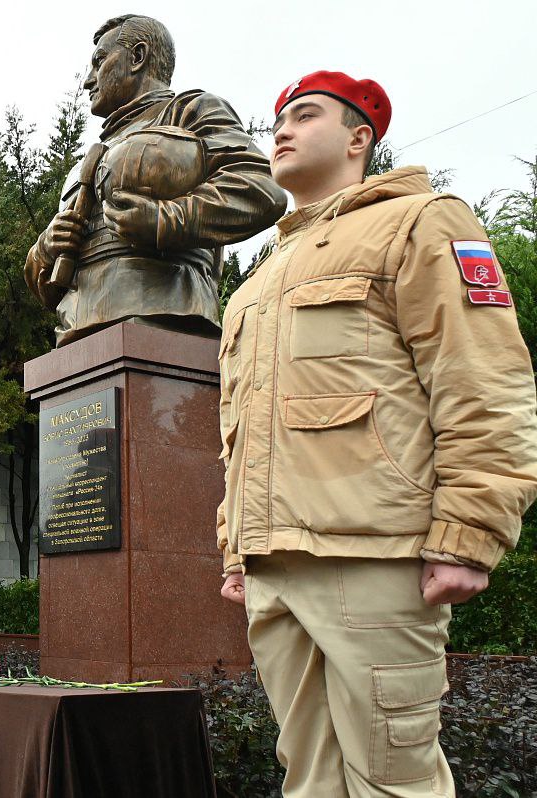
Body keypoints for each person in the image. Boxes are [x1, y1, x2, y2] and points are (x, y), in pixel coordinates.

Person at [216, 71, 537, 797]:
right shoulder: (256, 285)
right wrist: (235, 547)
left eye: (305, 115)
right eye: (277, 122)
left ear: (361, 137)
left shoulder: (423, 221)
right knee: (309, 780)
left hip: (373, 557)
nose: (283, 132)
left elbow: (483, 381)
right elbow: (239, 432)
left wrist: (469, 531)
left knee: (396, 784)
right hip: (274, 571)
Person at [25, 14, 286, 347]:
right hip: (78, 333)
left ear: (137, 56)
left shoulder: (190, 111)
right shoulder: (84, 162)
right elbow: (47, 292)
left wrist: (164, 220)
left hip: (167, 318)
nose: (88, 80)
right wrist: (45, 249)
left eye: (99, 62)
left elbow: (262, 190)